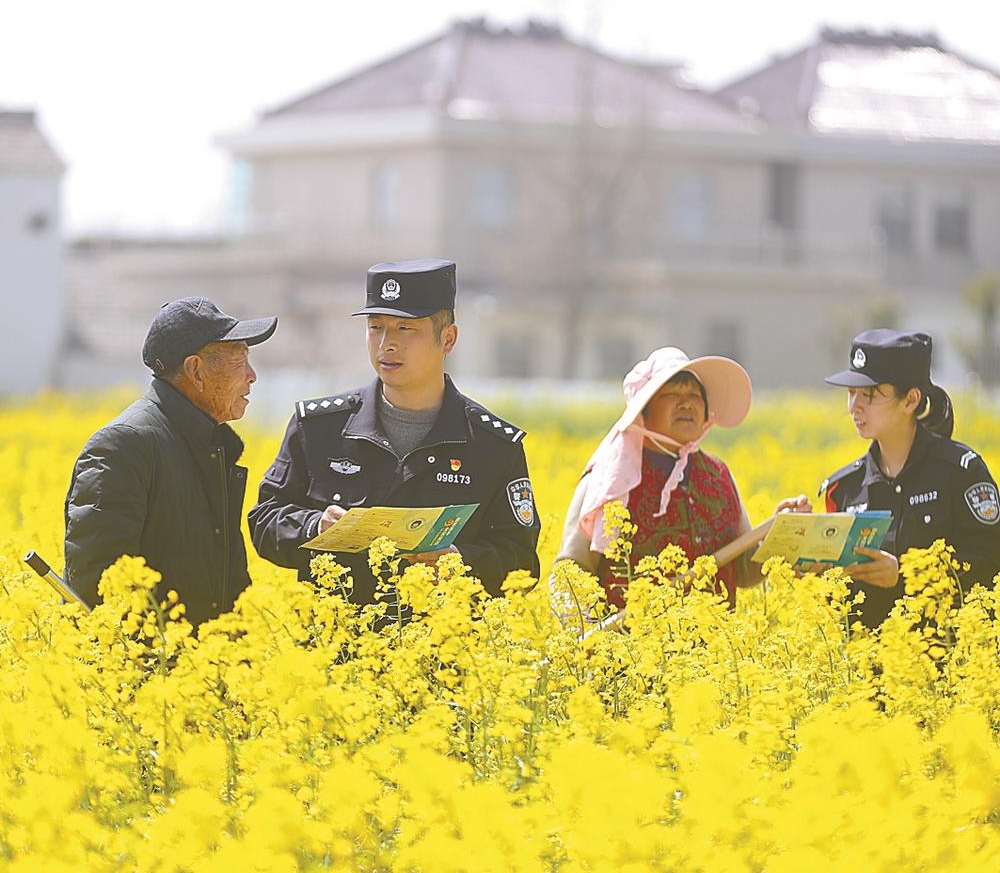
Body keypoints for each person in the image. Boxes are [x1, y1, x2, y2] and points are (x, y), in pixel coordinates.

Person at [249, 259, 540, 604]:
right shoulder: (318, 428)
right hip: (334, 649)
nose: (387, 343)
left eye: (405, 329)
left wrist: (461, 563)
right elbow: (265, 520)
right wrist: (315, 527)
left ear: (448, 339)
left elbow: (521, 558)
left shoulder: (493, 445)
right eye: (376, 327)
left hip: (444, 649)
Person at [64, 296, 277, 626]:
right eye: (240, 360)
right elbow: (99, 583)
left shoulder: (209, 443)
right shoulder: (124, 445)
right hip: (150, 669)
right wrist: (158, 660)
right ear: (195, 370)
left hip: (205, 670)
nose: (252, 376)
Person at [556, 347, 808, 607]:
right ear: (644, 411)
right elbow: (572, 571)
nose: (686, 402)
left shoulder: (718, 475)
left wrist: (783, 533)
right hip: (631, 644)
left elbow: (743, 570)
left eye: (694, 395)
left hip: (714, 643)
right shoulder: (609, 480)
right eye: (672, 393)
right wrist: (581, 631)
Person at [820, 328, 1000, 628]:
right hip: (872, 668)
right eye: (851, 393)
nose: (854, 407)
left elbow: (990, 560)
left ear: (910, 400)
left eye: (869, 395)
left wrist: (905, 575)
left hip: (952, 663)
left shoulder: (960, 472)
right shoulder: (846, 488)